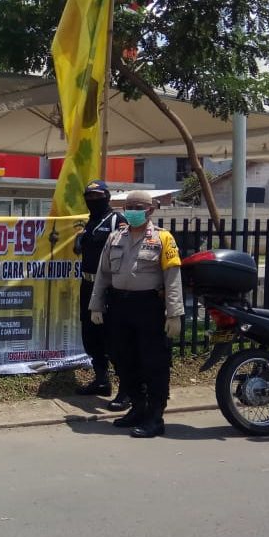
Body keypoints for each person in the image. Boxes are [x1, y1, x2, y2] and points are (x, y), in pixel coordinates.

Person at [88, 190, 183, 438]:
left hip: (149, 307)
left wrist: (174, 313)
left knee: (153, 363)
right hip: (119, 306)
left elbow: (173, 278)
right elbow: (103, 274)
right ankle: (138, 408)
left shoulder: (164, 239)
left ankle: (155, 416)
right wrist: (96, 305)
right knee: (123, 359)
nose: (132, 212)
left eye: (137, 208)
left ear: (149, 211)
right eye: (129, 207)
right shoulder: (115, 237)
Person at [73, 180, 130, 409]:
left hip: (108, 288)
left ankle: (126, 390)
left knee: (114, 340)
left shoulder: (117, 221)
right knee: (91, 336)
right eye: (89, 196)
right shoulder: (90, 222)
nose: (92, 200)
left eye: (97, 196)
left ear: (107, 197)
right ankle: (101, 380)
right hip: (87, 286)